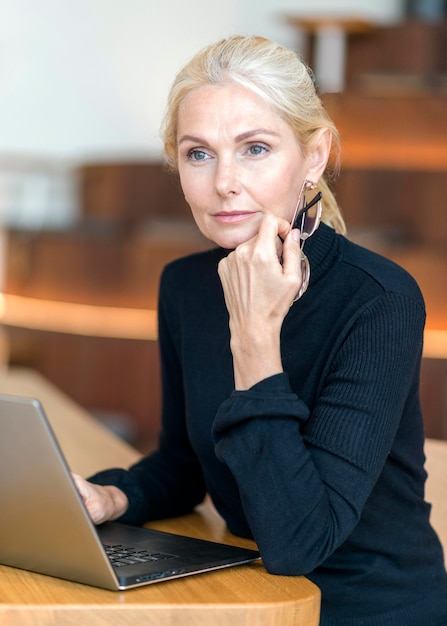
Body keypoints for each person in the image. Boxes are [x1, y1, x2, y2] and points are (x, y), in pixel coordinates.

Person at [73, 35, 447, 625]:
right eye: (199, 154)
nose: (224, 182)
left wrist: (254, 339)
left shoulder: (380, 300)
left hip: (368, 607)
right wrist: (112, 496)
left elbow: (299, 541)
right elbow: (187, 460)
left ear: (315, 156)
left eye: (255, 148)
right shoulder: (186, 285)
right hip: (249, 594)